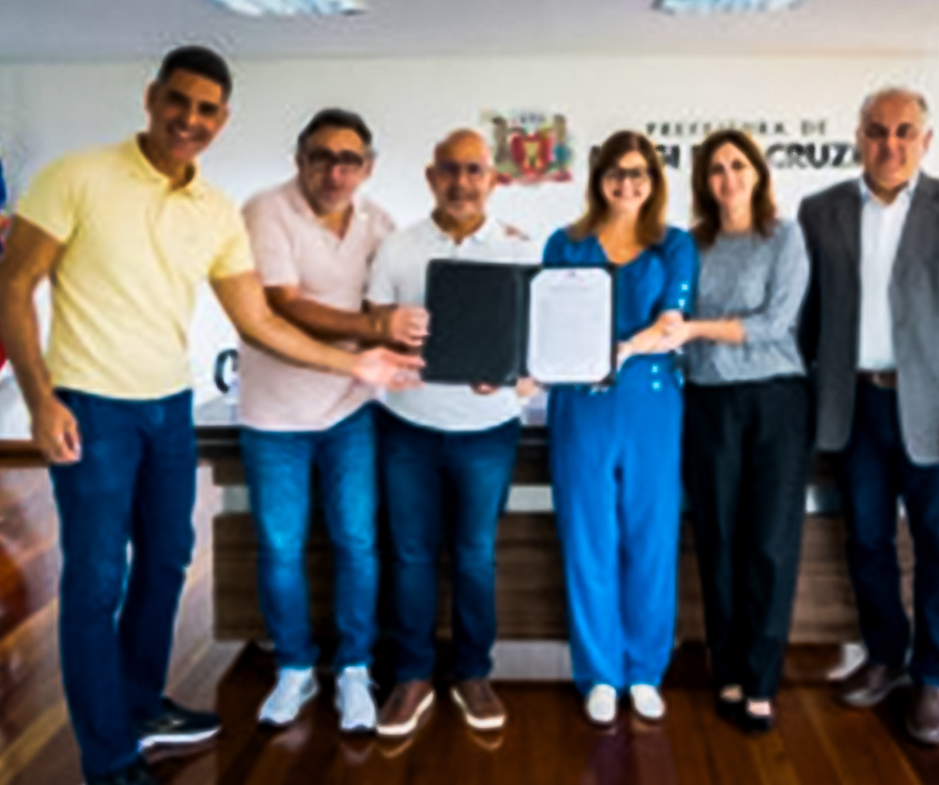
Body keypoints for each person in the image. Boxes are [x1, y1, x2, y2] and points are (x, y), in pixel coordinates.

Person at [0, 47, 419, 785]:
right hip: (91, 406)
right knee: (96, 580)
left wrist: (354, 365)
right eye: (178, 101)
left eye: (206, 109)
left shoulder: (215, 210)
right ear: (151, 97)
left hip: (169, 405)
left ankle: (141, 705)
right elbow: (14, 282)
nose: (189, 119)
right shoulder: (76, 176)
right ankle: (108, 757)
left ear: (222, 120)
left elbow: (257, 320)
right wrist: (39, 397)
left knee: (166, 561)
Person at [797, 87, 939, 745]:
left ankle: (937, 675)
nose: (889, 143)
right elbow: (808, 318)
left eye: (904, 131)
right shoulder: (820, 210)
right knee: (866, 541)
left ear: (926, 140)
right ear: (858, 137)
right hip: (853, 407)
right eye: (876, 130)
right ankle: (886, 656)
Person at [238, 108, 426, 733]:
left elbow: (398, 301)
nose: (335, 171)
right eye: (321, 157)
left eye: (349, 160)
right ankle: (294, 667)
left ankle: (353, 669)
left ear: (368, 167)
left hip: (351, 409)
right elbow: (283, 305)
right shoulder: (266, 211)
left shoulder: (380, 223)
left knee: (357, 542)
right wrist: (374, 327)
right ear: (300, 159)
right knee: (280, 548)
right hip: (274, 416)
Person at [368, 129, 538, 738]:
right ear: (430, 175)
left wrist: (513, 376)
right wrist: (394, 334)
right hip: (408, 427)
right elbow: (372, 325)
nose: (461, 182)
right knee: (410, 555)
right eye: (449, 169)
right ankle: (412, 676)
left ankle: (472, 673)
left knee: (474, 557)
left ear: (493, 178)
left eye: (473, 170)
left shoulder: (520, 250)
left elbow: (535, 346)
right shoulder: (397, 248)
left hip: (488, 432)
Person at [542, 130, 697, 726]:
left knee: (650, 541)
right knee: (588, 541)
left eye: (638, 173)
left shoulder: (674, 245)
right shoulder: (565, 243)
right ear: (598, 178)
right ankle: (600, 674)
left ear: (653, 180)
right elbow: (546, 324)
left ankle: (645, 671)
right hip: (581, 409)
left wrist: (623, 349)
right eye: (615, 172)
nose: (626, 184)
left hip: (650, 406)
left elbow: (672, 323)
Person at [662, 129, 810, 733]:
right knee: (718, 538)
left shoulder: (785, 236)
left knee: (769, 543)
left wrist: (696, 330)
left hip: (776, 401)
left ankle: (761, 678)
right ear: (704, 181)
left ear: (758, 173)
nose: (728, 177)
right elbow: (668, 316)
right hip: (708, 403)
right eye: (717, 168)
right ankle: (726, 667)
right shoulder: (690, 244)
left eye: (738, 165)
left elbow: (776, 323)